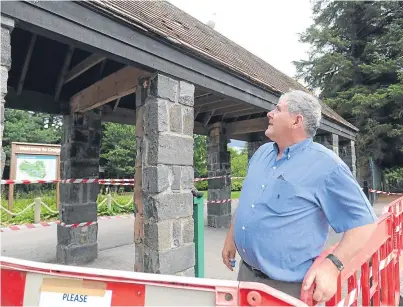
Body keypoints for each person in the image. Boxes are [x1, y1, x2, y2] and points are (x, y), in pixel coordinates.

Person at [221, 90, 377, 303]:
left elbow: (364, 223)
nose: (270, 113)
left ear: (296, 121)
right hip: (246, 276)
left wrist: (332, 266)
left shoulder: (326, 165)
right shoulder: (261, 154)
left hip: (286, 289)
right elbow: (249, 201)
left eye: (278, 109)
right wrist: (231, 237)